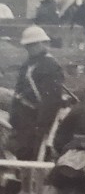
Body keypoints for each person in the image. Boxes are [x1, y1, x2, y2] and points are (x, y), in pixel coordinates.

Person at [10, 25, 65, 161]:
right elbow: (19, 91)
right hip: (24, 117)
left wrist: (42, 125)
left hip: (35, 118)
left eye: (34, 44)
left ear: (43, 43)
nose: (30, 48)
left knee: (33, 155)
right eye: (28, 45)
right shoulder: (28, 64)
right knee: (22, 152)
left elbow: (51, 100)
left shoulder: (50, 66)